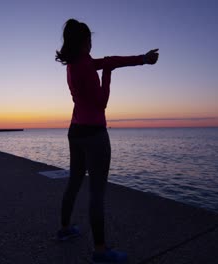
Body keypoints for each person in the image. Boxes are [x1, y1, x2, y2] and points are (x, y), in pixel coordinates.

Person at [55, 18, 159, 263]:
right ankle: (100, 251)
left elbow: (109, 60)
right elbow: (101, 102)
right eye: (89, 39)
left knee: (74, 182)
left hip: (76, 131)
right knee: (97, 193)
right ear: (83, 42)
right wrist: (108, 75)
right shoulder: (85, 68)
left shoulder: (74, 64)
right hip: (94, 134)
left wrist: (141, 59)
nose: (92, 43)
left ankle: (65, 229)